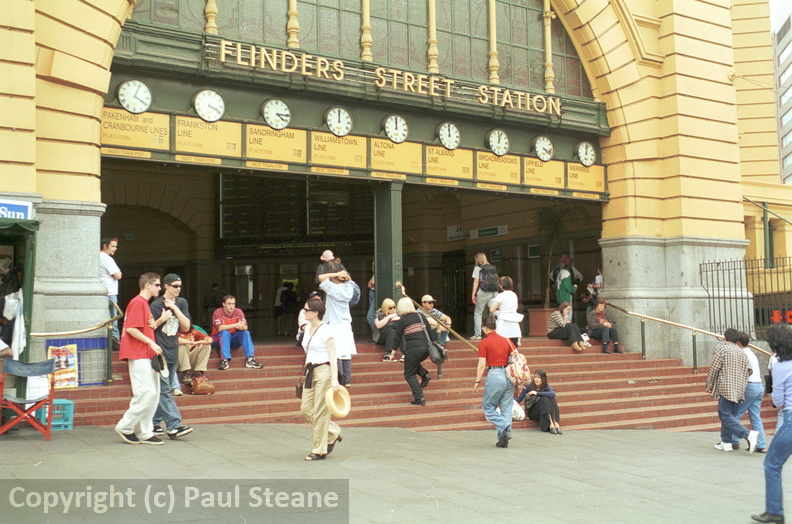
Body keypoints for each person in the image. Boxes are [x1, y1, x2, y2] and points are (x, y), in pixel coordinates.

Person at [114, 272, 165, 445]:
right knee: (147, 393)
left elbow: (138, 328)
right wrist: (152, 343)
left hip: (145, 353)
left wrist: (157, 324)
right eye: (157, 284)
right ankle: (126, 426)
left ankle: (145, 431)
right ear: (147, 285)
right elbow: (131, 329)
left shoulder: (142, 304)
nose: (159, 287)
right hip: (140, 353)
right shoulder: (138, 303)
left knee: (152, 394)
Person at [752, 323, 792, 524]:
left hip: (790, 419)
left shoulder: (780, 365)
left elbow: (778, 401)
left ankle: (775, 512)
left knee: (772, 464)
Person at [148, 274, 193, 439]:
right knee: (166, 389)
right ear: (166, 286)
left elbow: (187, 326)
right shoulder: (156, 305)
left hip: (173, 351)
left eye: (180, 286)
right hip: (160, 353)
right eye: (175, 286)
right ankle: (174, 425)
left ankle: (154, 423)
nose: (178, 289)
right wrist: (162, 318)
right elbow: (148, 330)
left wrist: (174, 309)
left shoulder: (181, 303)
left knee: (162, 389)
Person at [299, 296, 342, 461]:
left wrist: (334, 379)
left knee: (320, 411)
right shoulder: (307, 328)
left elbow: (333, 356)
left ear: (316, 312)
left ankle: (319, 449)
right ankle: (333, 431)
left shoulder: (326, 330)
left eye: (307, 310)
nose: (304, 312)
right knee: (306, 408)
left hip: (324, 370)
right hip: (311, 370)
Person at [707, 328, 758, 453]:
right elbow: (749, 370)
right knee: (729, 414)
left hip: (726, 386)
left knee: (724, 414)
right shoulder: (741, 351)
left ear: (725, 338)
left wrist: (709, 384)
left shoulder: (722, 348)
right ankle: (726, 442)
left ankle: (747, 434)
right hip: (739, 388)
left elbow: (715, 368)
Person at [474, 315, 515, 448]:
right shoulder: (506, 340)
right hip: (509, 375)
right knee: (506, 408)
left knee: (488, 407)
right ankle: (503, 438)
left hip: (495, 374)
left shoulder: (484, 342)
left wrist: (477, 381)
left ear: (485, 327)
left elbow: (481, 364)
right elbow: (515, 357)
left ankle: (504, 427)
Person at [723, 331, 766, 453]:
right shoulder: (751, 353)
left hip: (750, 386)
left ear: (738, 343)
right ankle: (761, 444)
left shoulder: (741, 354)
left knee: (736, 414)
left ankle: (734, 440)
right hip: (759, 385)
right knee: (755, 416)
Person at [318, 263, 357, 387]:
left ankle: (339, 378)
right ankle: (347, 379)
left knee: (336, 351)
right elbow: (351, 282)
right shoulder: (349, 287)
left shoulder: (331, 287)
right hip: (345, 323)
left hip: (333, 323)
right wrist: (345, 276)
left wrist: (336, 273)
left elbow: (320, 278)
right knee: (346, 352)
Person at [392, 297, 432, 406]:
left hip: (413, 349)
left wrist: (392, 353)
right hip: (426, 349)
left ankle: (420, 398)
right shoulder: (421, 316)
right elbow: (430, 332)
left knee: (409, 374)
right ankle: (424, 374)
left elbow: (397, 338)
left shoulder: (402, 320)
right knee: (411, 363)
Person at [211, 295, 264, 370]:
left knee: (245, 332)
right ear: (223, 304)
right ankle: (225, 360)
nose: (231, 306)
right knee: (225, 332)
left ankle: (250, 359)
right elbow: (220, 328)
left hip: (231, 339)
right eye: (229, 304)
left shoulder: (238, 311)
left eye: (233, 304)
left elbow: (245, 327)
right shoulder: (218, 312)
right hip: (217, 339)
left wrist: (241, 326)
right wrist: (235, 325)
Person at [515, 369, 562, 434]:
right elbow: (519, 399)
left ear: (543, 379)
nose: (536, 379)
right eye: (535, 377)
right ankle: (551, 424)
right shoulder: (529, 387)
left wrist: (537, 393)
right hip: (533, 412)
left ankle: (556, 424)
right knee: (544, 399)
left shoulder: (546, 386)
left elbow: (553, 394)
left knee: (552, 399)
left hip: (543, 410)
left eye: (539, 378)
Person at [470, 252, 499, 340]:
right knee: (494, 311)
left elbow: (476, 281)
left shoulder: (478, 268)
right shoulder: (492, 267)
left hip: (483, 291)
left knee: (478, 313)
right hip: (494, 291)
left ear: (478, 259)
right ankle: (499, 330)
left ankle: (478, 334)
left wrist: (473, 294)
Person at [99, 237, 122, 344]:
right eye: (113, 246)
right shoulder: (105, 257)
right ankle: (115, 340)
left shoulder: (98, 257)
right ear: (105, 246)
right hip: (110, 293)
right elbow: (118, 275)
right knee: (113, 318)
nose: (115, 249)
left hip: (104, 292)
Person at [489, 276, 523, 347]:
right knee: (514, 348)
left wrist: (499, 308)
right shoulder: (514, 295)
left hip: (503, 323)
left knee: (502, 346)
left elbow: (492, 309)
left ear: (501, 285)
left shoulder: (500, 296)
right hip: (514, 323)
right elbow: (516, 307)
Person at [374, 298, 402, 362]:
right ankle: (388, 353)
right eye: (390, 308)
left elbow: (400, 319)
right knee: (391, 331)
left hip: (394, 338)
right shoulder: (378, 313)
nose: (393, 309)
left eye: (394, 307)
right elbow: (378, 325)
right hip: (381, 337)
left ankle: (404, 354)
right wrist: (388, 317)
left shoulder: (397, 312)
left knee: (395, 331)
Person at [555, 256, 577, 320]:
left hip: (559, 296)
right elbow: (567, 287)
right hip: (565, 296)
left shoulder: (560, 273)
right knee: (568, 314)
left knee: (562, 314)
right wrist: (574, 287)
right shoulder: (566, 273)